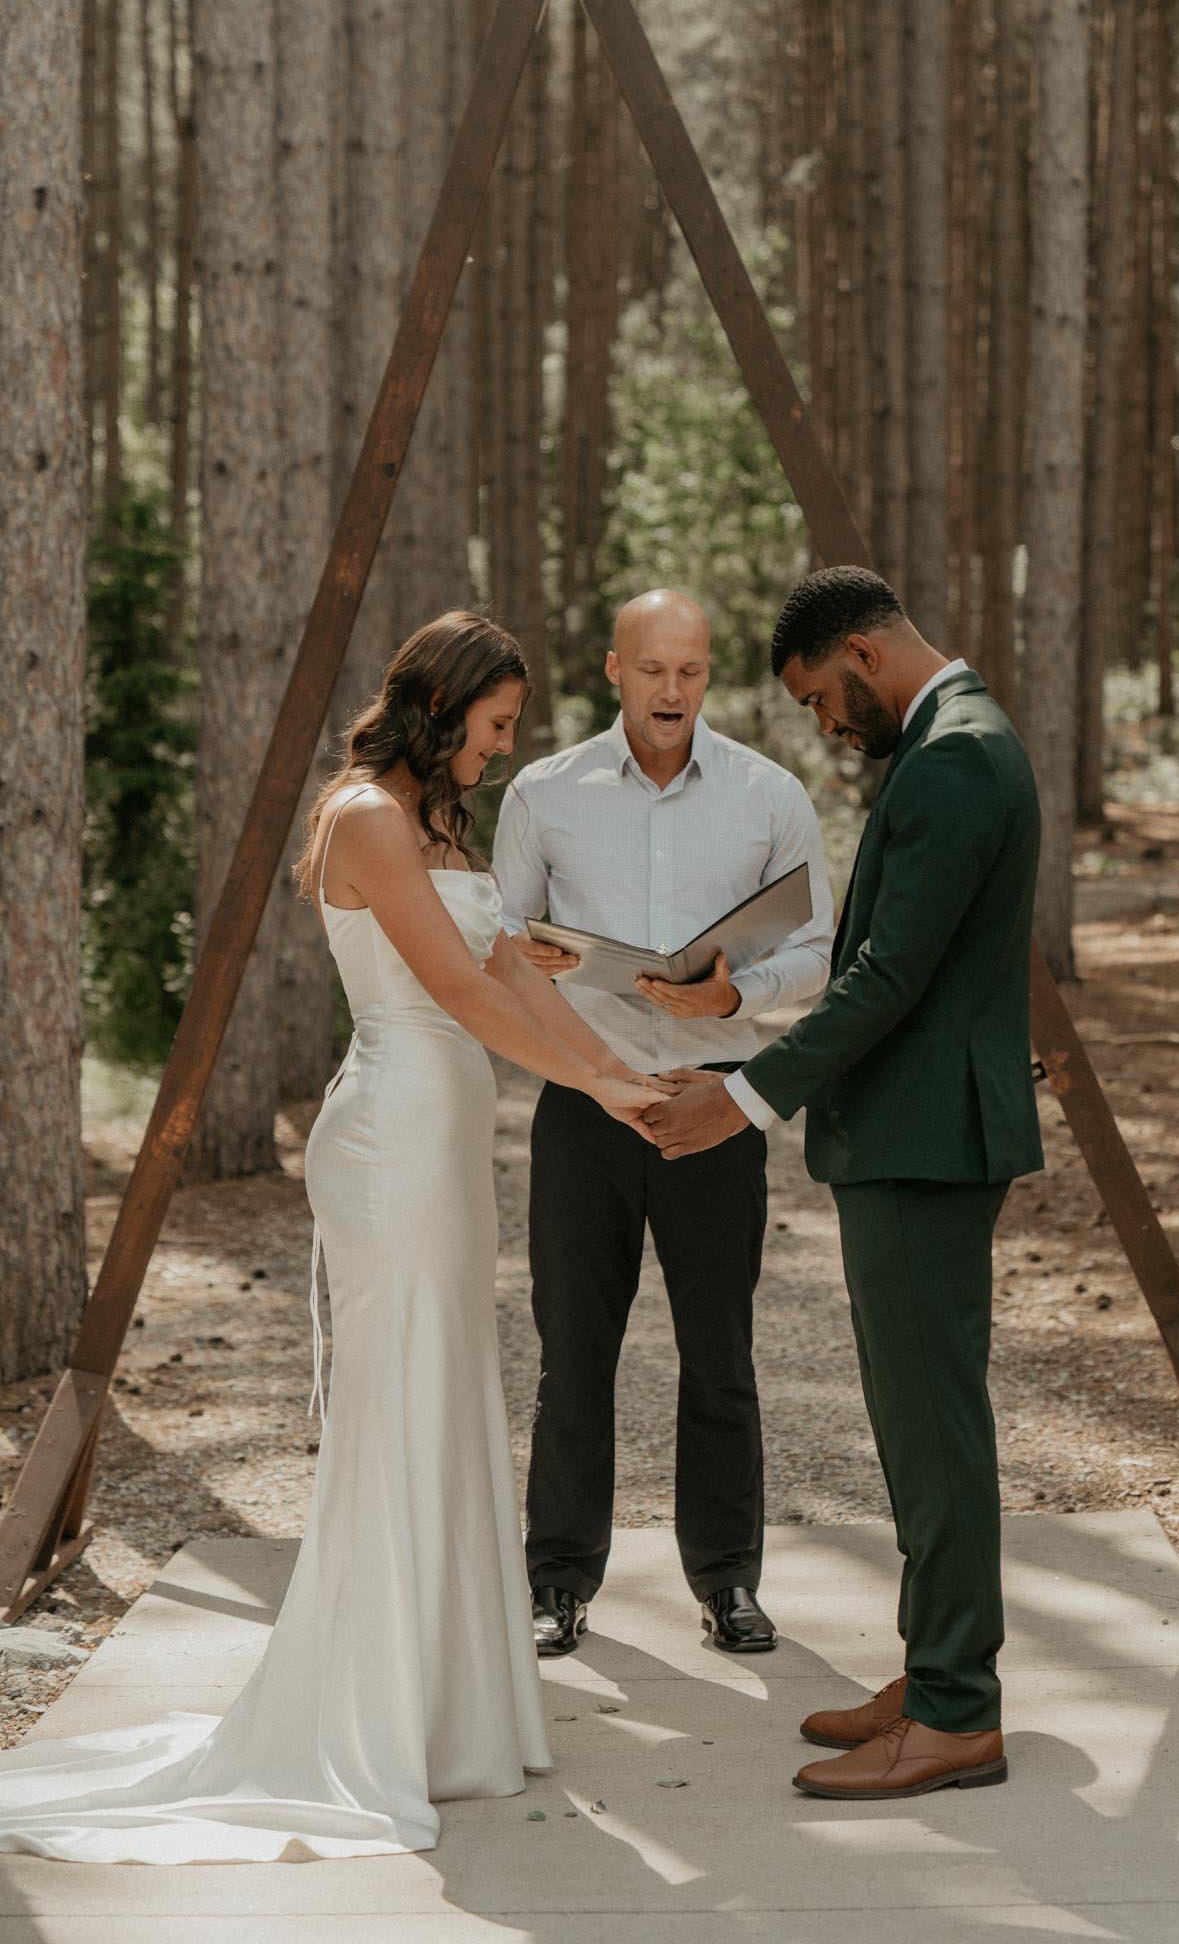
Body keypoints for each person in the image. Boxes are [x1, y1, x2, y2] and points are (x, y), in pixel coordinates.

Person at [0, 611, 668, 1864]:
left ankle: (451, 1712)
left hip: (449, 1130)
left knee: (453, 1387)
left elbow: (518, 978)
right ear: (444, 702)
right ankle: (371, 1715)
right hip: (392, 1134)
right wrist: (596, 1092)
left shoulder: (437, 823)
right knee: (400, 1397)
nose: (505, 747)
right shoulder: (362, 810)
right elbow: (460, 992)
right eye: (498, 723)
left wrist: (627, 1070)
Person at [646, 566, 1043, 1801]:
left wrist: (743, 1093)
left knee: (935, 1432)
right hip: (911, 1139)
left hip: (929, 1146)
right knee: (916, 1424)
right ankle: (934, 1673)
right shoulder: (948, 743)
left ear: (864, 652)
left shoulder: (957, 758)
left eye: (824, 697)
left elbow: (887, 981)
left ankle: (960, 1712)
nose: (826, 724)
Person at [493, 589, 834, 1658]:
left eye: (690, 670)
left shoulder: (770, 795)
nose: (673, 690)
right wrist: (549, 979)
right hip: (588, 1104)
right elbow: (499, 944)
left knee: (721, 1355)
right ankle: (557, 1581)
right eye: (653, 670)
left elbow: (817, 950)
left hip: (714, 1106)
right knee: (572, 1354)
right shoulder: (544, 793)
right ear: (614, 670)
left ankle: (729, 1580)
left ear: (708, 672)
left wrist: (733, 998)